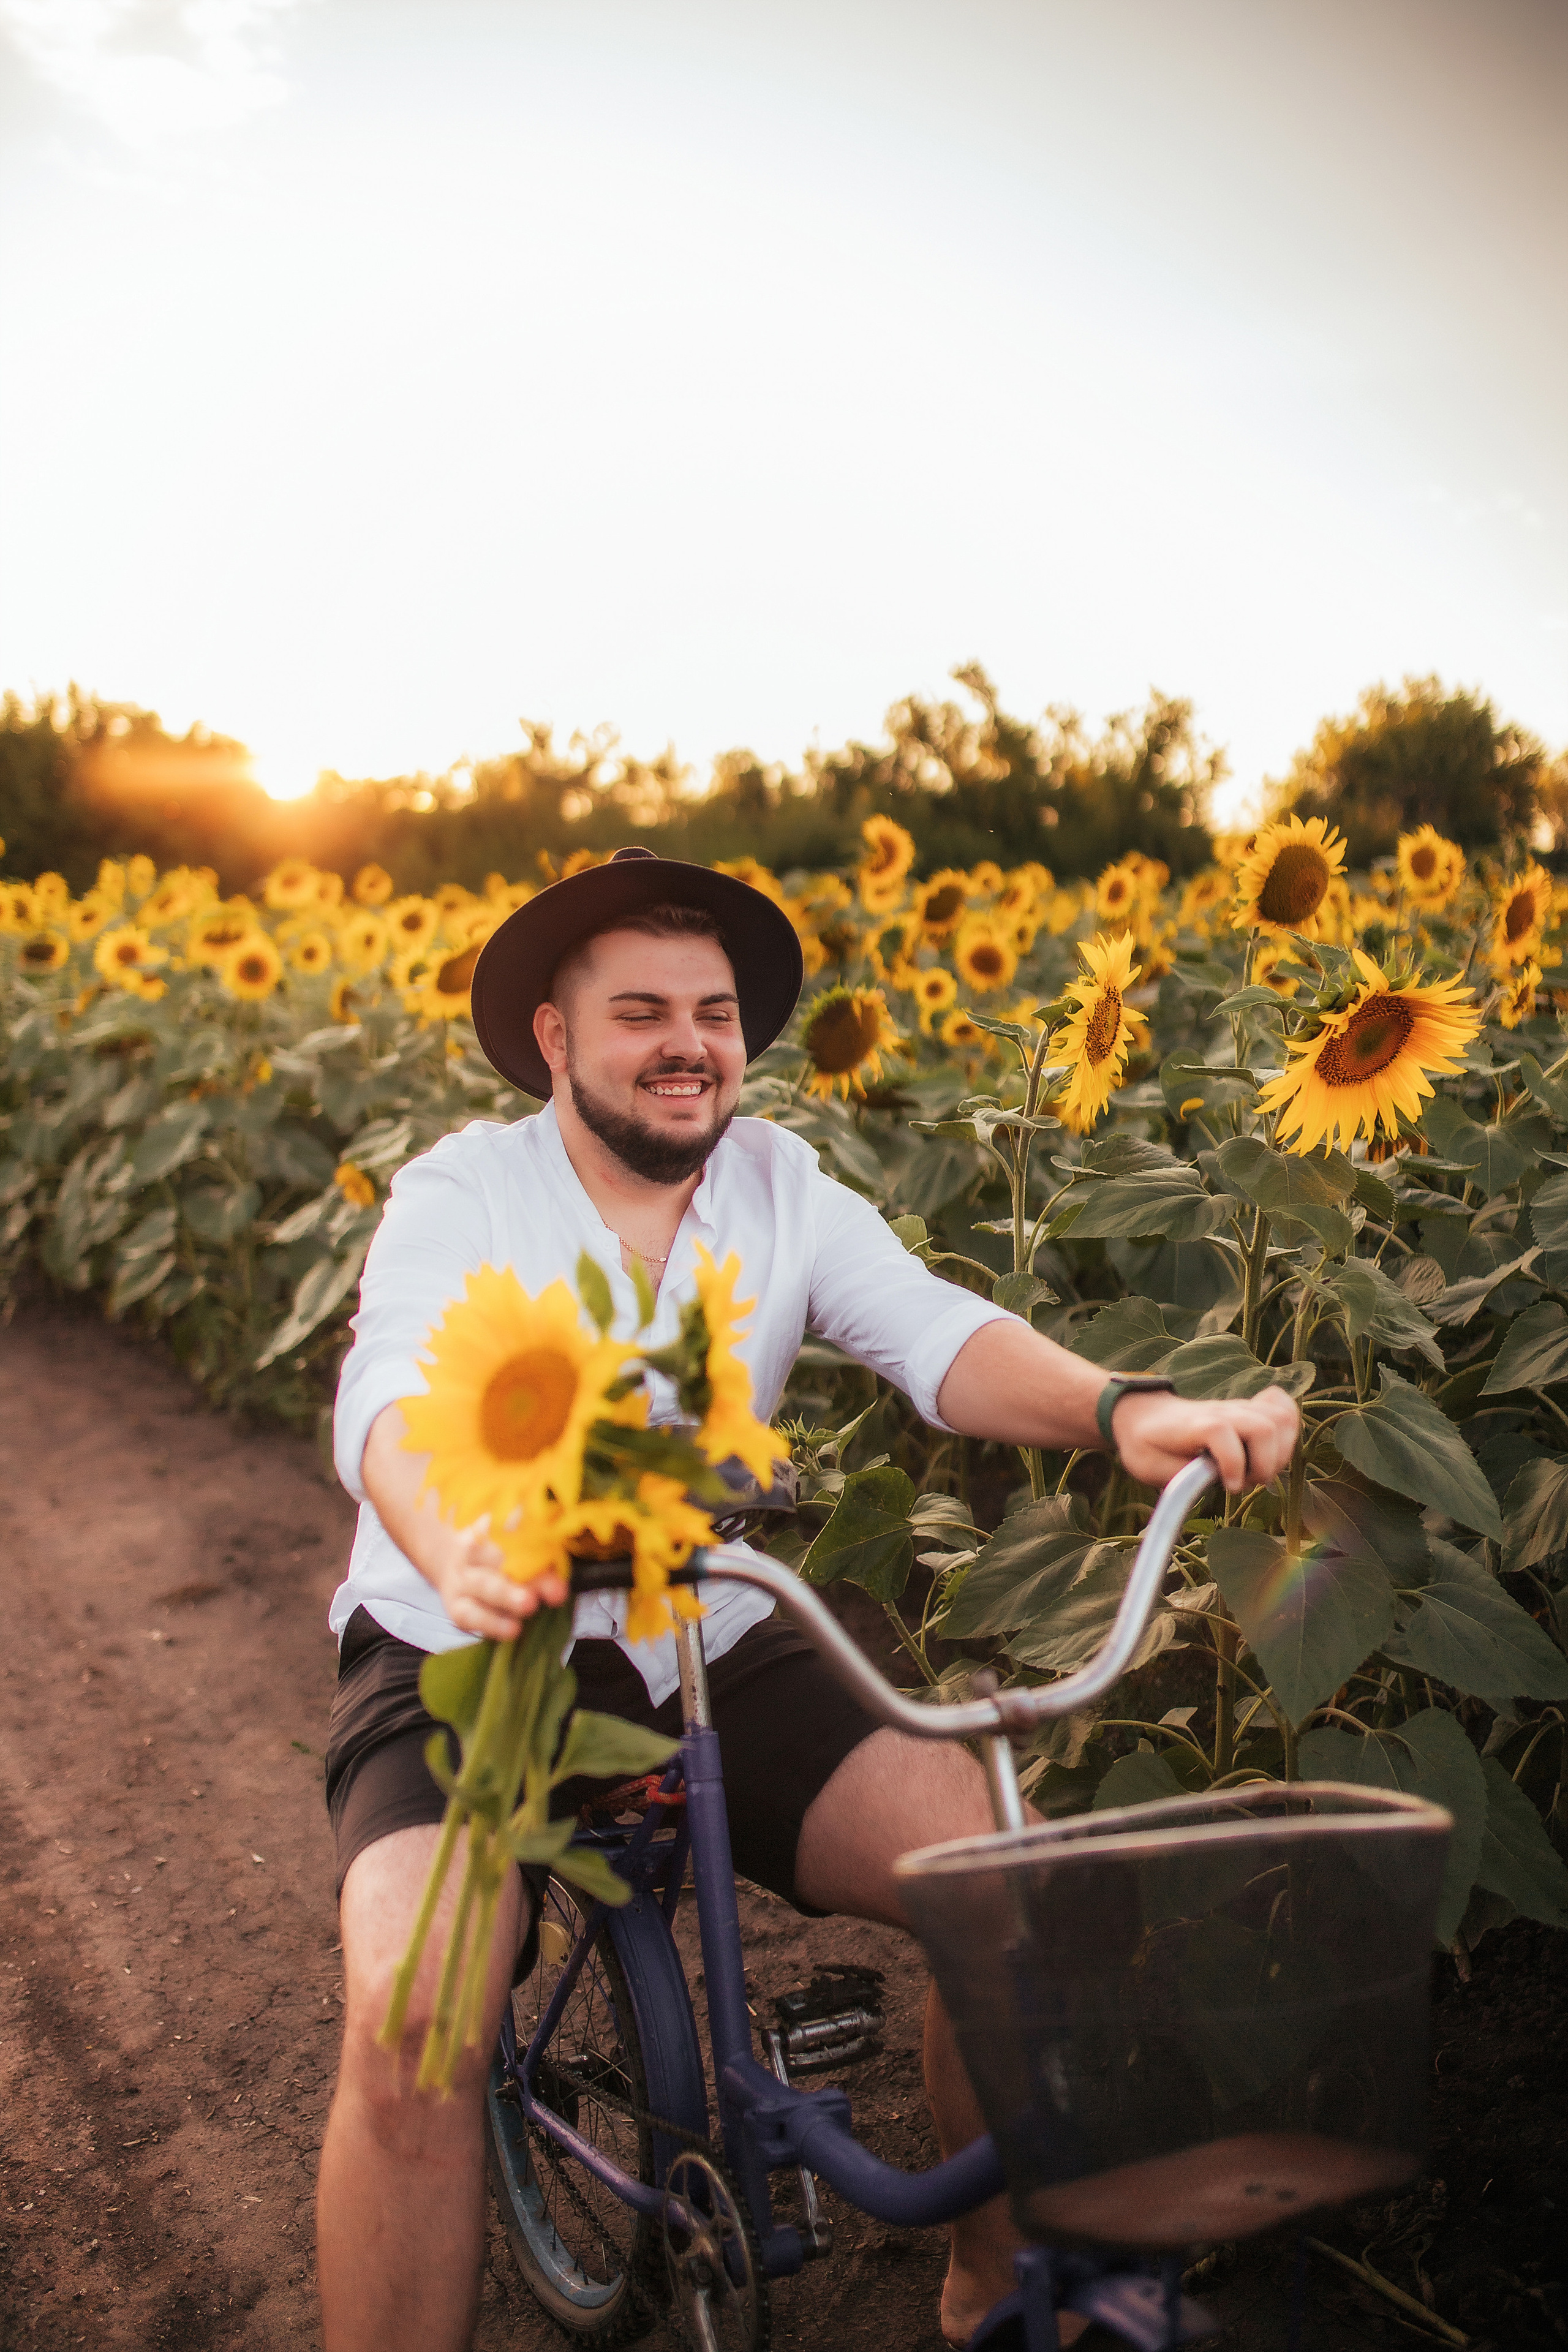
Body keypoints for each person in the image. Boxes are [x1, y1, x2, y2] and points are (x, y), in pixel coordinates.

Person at [314, 846, 1300, 2352]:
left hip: (704, 1623)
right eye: (640, 1012)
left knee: (1005, 1886)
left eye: (711, 1014)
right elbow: (387, 1387)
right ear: (554, 1039)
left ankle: (994, 2294)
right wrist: (454, 1542)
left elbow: (931, 1332)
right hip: (468, 1635)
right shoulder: (467, 1192)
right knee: (415, 2023)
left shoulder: (778, 1184)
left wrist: (1122, 1410)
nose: (687, 1045)